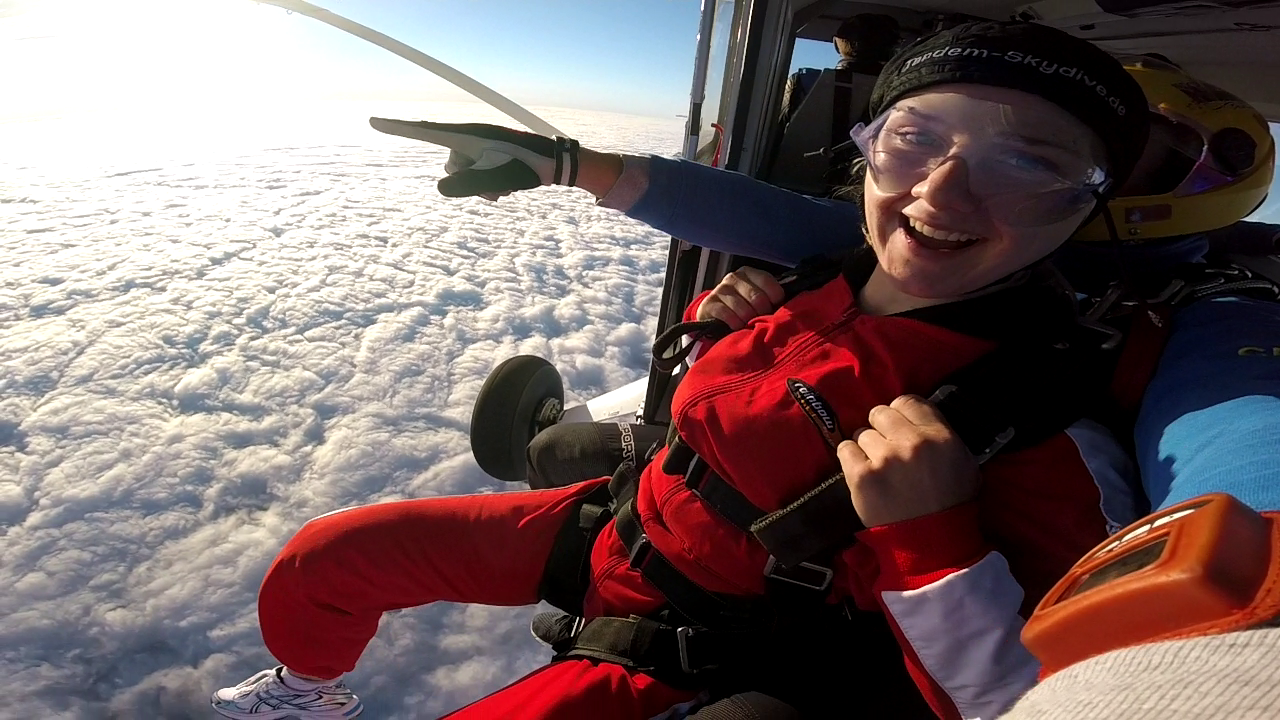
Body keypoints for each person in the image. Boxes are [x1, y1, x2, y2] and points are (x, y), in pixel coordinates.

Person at [213, 20, 1150, 720]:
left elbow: (1031, 702)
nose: (941, 190)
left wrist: (934, 542)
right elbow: (758, 405)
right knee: (322, 563)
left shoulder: (1037, 426)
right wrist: (717, 327)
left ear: (1087, 206)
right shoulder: (826, 277)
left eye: (1030, 163)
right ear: (867, 148)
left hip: (707, 640)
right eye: (916, 138)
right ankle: (306, 691)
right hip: (625, 525)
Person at [385, 52, 1280, 520]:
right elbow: (770, 221)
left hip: (879, 523)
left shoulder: (1217, 306)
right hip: (781, 437)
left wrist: (1242, 579)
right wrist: (572, 164)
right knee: (559, 464)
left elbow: (1238, 418)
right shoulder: (968, 233)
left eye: (1128, 167)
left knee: (565, 468)